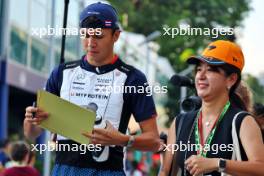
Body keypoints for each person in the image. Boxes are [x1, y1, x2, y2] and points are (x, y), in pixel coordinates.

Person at [24, 2, 160, 176]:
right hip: (64, 170)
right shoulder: (61, 72)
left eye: (98, 36)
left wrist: (122, 139)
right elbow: (31, 134)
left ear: (116, 36)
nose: (90, 43)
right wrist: (31, 120)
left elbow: (154, 141)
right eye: (85, 35)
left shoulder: (133, 78)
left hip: (108, 171)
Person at [159, 40, 264, 176]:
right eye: (198, 69)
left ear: (231, 79)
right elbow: (165, 172)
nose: (201, 76)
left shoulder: (243, 121)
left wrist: (217, 163)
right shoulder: (180, 122)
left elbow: (261, 168)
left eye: (210, 70)